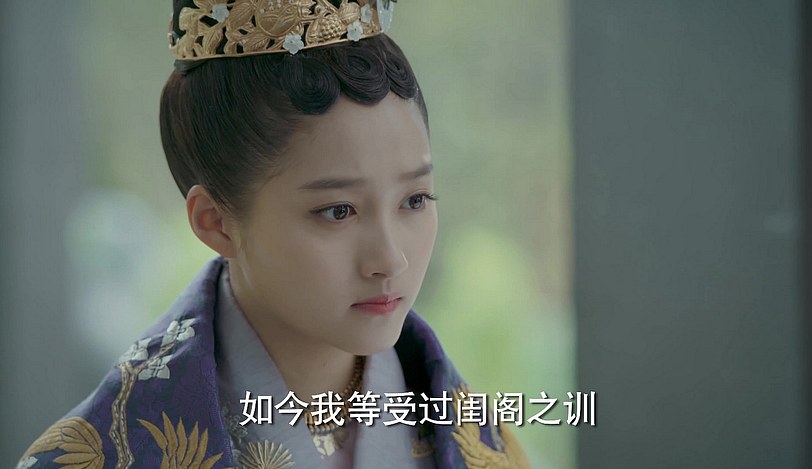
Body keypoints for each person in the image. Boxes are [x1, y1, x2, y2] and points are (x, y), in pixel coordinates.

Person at [18, 0, 529, 467]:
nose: (390, 259)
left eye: (414, 200)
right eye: (338, 211)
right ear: (216, 222)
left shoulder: (483, 449)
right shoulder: (100, 454)